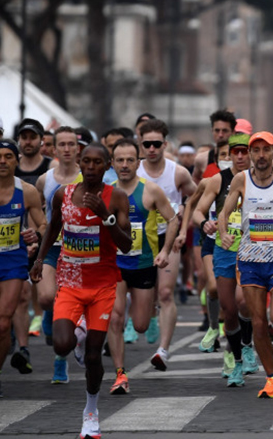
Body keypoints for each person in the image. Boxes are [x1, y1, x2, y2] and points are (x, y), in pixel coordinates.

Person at [32, 142, 132, 439]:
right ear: (79, 162)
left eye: (97, 163)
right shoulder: (63, 194)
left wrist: (106, 216)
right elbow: (53, 228)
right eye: (85, 162)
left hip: (102, 285)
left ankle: (91, 411)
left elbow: (126, 244)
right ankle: (77, 335)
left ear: (107, 166)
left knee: (93, 357)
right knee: (61, 344)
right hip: (71, 283)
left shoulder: (117, 197)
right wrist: (39, 259)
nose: (90, 168)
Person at [219, 131, 273, 399]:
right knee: (257, 322)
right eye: (256, 151)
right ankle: (272, 378)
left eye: (266, 150)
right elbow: (224, 211)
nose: (261, 155)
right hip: (250, 260)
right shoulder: (240, 180)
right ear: (251, 154)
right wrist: (223, 233)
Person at [0, 139, 46, 396]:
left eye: (8, 156)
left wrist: (35, 236)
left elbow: (44, 226)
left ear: (16, 161)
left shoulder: (27, 191)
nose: (2, 161)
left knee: (3, 325)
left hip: (12, 262)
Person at [107, 138, 179, 395]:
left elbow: (173, 220)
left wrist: (165, 250)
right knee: (115, 318)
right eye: (120, 160)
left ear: (138, 162)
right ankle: (120, 374)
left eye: (129, 160)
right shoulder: (106, 192)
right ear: (112, 163)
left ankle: (144, 314)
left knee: (139, 325)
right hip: (114, 265)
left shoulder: (151, 191)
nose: (125, 165)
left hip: (143, 264)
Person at [136, 119, 197, 371]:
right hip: (140, 239)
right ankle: (149, 317)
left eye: (156, 144)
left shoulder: (178, 172)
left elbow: (196, 196)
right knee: (146, 298)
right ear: (141, 144)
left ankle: (163, 349)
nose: (151, 148)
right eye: (147, 144)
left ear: (165, 144)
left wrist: (183, 228)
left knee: (165, 293)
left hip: (168, 238)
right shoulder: (133, 170)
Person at [193, 132, 252, 387]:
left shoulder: (264, 179)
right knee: (229, 309)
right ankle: (235, 358)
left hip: (252, 251)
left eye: (244, 151)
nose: (239, 156)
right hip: (224, 249)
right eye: (234, 152)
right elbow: (197, 210)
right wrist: (205, 223)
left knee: (243, 301)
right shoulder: (219, 179)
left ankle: (247, 346)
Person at [34, 126, 82, 383]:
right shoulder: (45, 179)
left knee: (71, 306)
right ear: (53, 149)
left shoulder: (87, 177)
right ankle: (47, 314)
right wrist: (35, 233)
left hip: (81, 249)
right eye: (61, 144)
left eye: (70, 144)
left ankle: (60, 361)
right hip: (53, 246)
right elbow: (38, 211)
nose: (66, 149)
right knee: (45, 297)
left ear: (77, 148)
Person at [11, 119, 52, 372]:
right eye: (23, 137)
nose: (28, 142)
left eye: (32, 137)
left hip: (44, 238)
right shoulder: (8, 168)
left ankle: (45, 317)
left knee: (45, 295)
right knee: (21, 295)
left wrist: (38, 236)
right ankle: (22, 347)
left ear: (41, 141)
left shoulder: (49, 169)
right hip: (13, 242)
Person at [192, 109, 238, 183]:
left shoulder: (242, 158)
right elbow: (195, 179)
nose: (220, 135)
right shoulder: (202, 159)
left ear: (233, 132)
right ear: (212, 131)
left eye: (225, 131)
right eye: (217, 130)